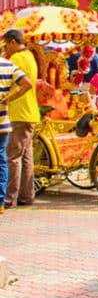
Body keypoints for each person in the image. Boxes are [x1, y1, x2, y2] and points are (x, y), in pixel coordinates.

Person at [3, 30, 39, 209]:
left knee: (13, 157)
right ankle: (26, 196)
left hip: (19, 113)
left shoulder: (16, 59)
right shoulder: (30, 56)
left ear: (11, 42)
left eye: (5, 45)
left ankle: (9, 198)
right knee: (26, 157)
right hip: (30, 113)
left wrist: (8, 99)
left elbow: (12, 84)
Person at [0, 55, 33, 214]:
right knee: (6, 160)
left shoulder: (15, 59)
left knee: (10, 159)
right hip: (5, 122)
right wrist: (8, 99)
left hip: (17, 116)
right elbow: (28, 83)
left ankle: (7, 198)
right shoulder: (10, 65)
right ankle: (5, 200)